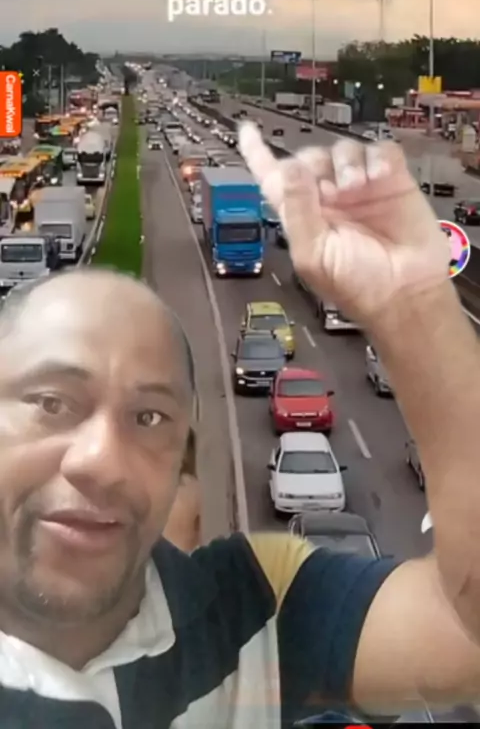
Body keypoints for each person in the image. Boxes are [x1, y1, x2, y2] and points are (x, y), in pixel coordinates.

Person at [0, 120, 475, 729]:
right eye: (53, 404)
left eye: (149, 417)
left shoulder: (254, 606)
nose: (100, 459)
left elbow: (465, 630)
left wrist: (414, 306)